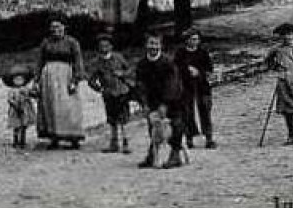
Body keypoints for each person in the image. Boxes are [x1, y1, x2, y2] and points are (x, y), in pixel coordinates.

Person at [134, 31, 186, 169]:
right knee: (153, 126)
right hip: (152, 100)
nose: (153, 47)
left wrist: (165, 104)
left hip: (173, 99)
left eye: (156, 43)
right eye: (151, 43)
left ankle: (175, 155)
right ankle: (153, 155)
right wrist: (144, 103)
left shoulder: (168, 63)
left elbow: (172, 84)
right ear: (146, 45)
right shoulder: (142, 64)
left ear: (161, 46)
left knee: (175, 125)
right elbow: (140, 85)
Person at [33, 18, 86, 150]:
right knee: (50, 106)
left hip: (65, 76)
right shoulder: (46, 43)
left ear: (64, 27)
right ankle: (54, 137)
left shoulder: (72, 42)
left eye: (58, 27)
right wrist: (36, 80)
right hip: (48, 78)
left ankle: (73, 137)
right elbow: (40, 61)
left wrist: (76, 79)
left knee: (69, 106)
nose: (55, 30)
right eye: (53, 27)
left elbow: (78, 61)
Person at [87, 33, 137, 154]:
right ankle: (114, 142)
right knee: (112, 119)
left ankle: (125, 142)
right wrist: (99, 89)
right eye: (101, 46)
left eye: (106, 45)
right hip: (109, 93)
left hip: (122, 91)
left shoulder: (118, 58)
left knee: (123, 118)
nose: (104, 48)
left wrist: (123, 74)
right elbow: (91, 79)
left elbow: (130, 69)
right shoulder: (97, 62)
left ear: (111, 47)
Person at [175, 29, 216, 149]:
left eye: (197, 39)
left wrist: (199, 72)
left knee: (205, 110)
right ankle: (189, 138)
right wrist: (186, 70)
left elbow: (209, 70)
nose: (195, 42)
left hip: (202, 85)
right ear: (186, 40)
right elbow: (176, 69)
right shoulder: (180, 53)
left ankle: (209, 138)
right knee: (187, 112)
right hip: (186, 86)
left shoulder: (203, 53)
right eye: (192, 39)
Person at [3, 68, 37, 149]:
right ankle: (15, 141)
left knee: (24, 125)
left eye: (21, 79)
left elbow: (32, 94)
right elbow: (10, 99)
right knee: (16, 126)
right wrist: (15, 104)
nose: (19, 81)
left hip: (25, 109)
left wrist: (34, 89)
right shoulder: (12, 91)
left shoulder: (25, 89)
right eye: (16, 79)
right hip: (15, 110)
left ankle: (22, 141)